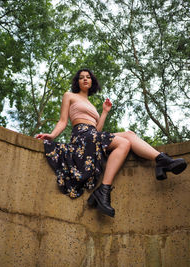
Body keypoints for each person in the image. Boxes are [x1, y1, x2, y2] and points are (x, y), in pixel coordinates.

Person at [36, 68, 187, 218]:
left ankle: (161, 160)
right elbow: (63, 122)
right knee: (123, 143)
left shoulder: (90, 104)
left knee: (129, 134)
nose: (85, 79)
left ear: (92, 81)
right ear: (77, 82)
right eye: (81, 77)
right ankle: (104, 189)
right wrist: (52, 135)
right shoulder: (69, 96)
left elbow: (97, 130)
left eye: (88, 77)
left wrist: (105, 112)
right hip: (82, 136)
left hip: (93, 135)